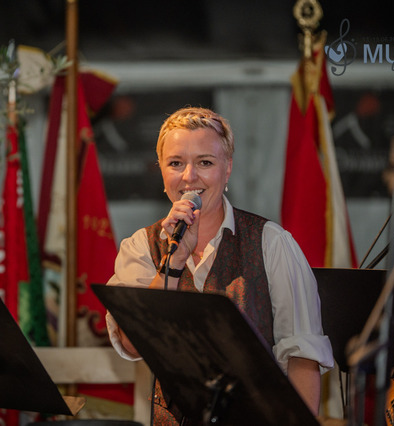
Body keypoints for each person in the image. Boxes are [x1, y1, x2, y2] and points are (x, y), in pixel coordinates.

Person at [104, 106, 334, 424]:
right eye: (176, 163)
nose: (189, 176)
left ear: (227, 169)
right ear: (162, 171)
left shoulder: (271, 242)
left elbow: (303, 358)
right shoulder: (141, 246)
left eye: (205, 163)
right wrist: (174, 262)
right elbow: (132, 344)